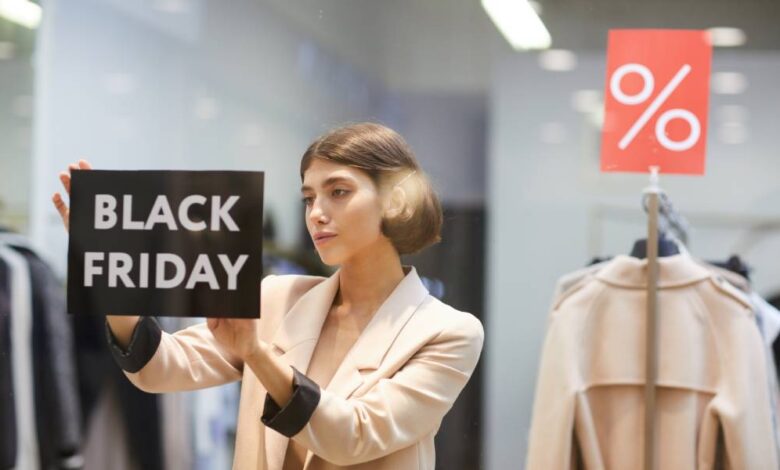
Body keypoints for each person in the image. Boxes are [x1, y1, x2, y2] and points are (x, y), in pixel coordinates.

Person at [52, 122, 485, 470]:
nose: (316, 213)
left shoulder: (447, 332)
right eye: (308, 197)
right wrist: (109, 267)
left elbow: (354, 436)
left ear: (397, 202)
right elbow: (160, 369)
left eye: (338, 192)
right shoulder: (277, 296)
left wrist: (257, 355)